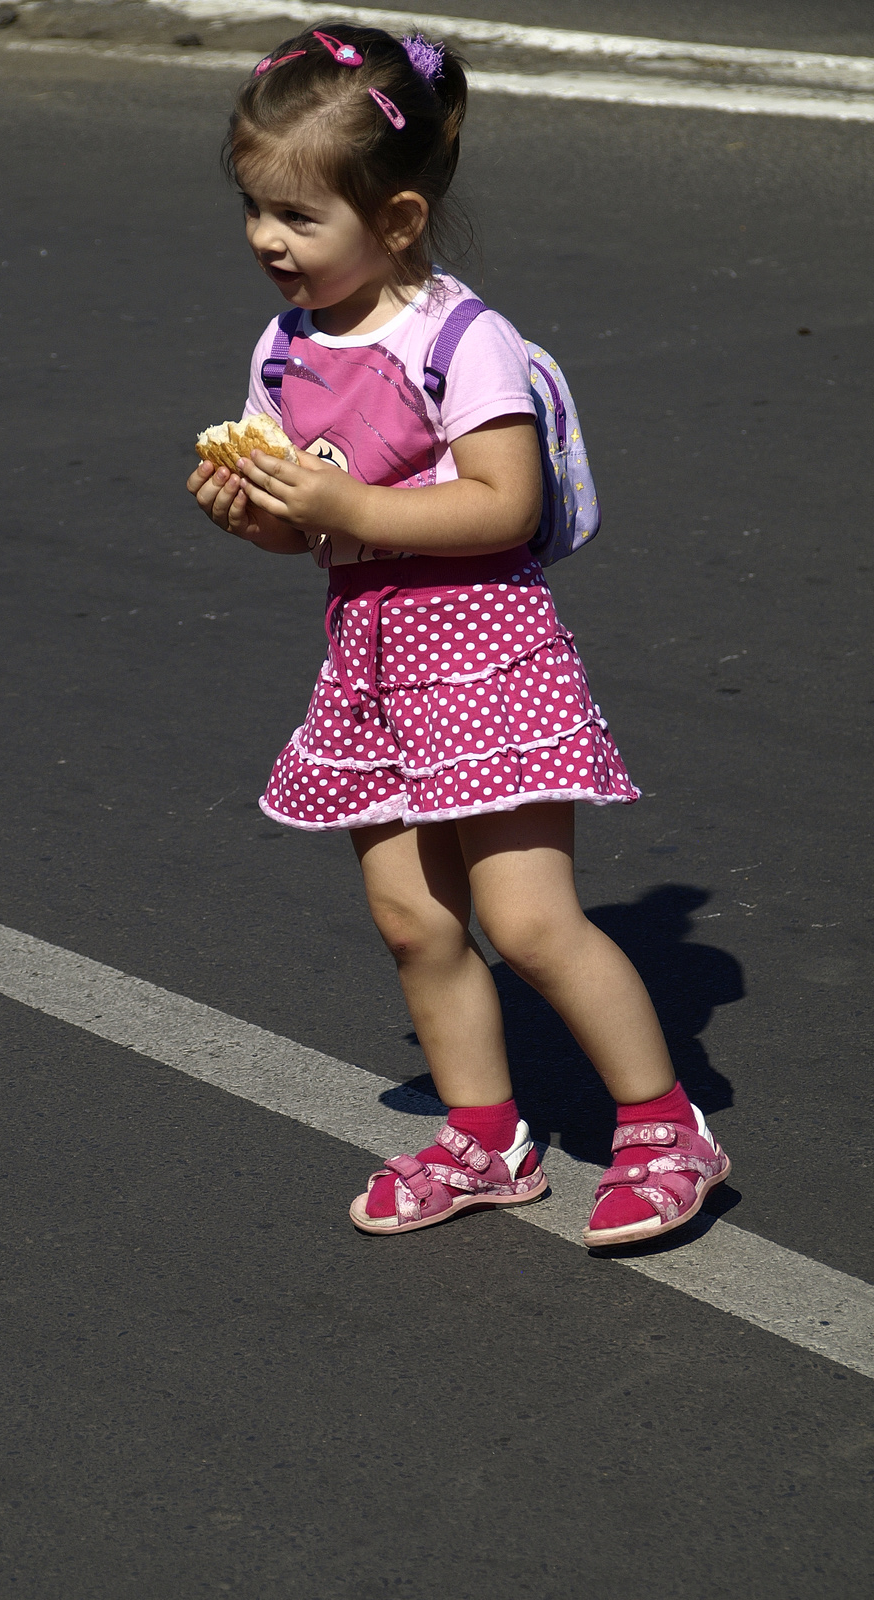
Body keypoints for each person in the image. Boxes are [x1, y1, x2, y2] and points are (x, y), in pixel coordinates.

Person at [185, 24, 730, 1247]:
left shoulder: (456, 338)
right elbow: (314, 530)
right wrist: (261, 519)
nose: (269, 239)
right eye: (254, 209)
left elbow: (503, 504)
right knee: (413, 920)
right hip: (372, 663)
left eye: (298, 215)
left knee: (532, 920)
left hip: (484, 656)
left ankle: (662, 1124)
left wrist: (340, 505)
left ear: (398, 218)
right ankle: (484, 1135)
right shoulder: (288, 349)